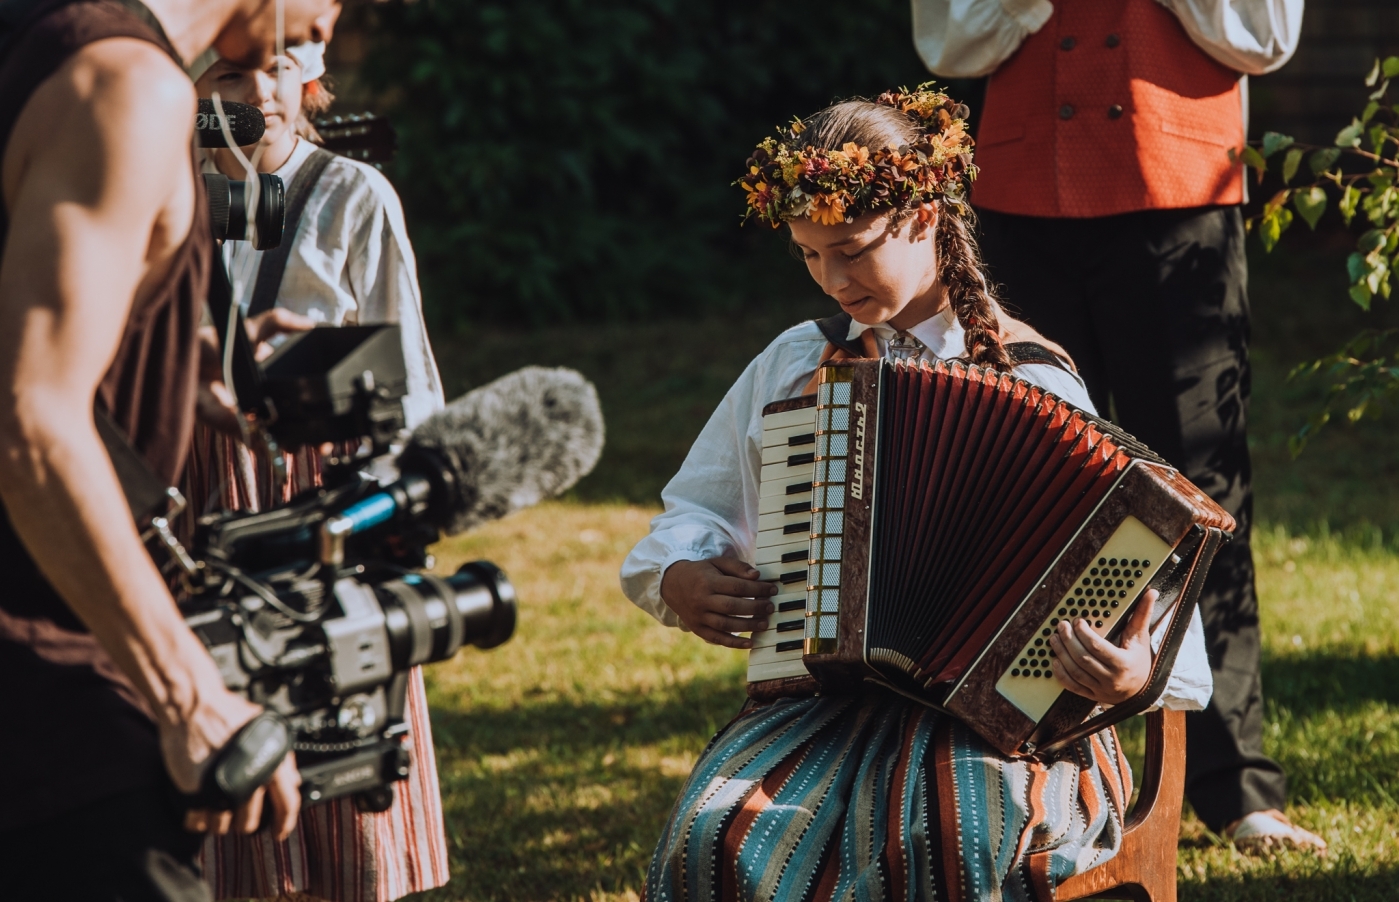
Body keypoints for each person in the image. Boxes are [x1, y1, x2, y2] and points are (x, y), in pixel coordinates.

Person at [620, 88, 1213, 900]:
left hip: (1005, 726)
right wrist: (681, 578)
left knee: (945, 835)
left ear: (924, 220)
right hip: (822, 705)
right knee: (713, 832)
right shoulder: (796, 364)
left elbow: (1155, 568)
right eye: (808, 254)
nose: (831, 279)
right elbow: (694, 511)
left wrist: (1134, 668)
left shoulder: (1032, 378)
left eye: (852, 249)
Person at [910, 0, 1321, 854]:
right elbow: (946, 42)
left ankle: (1233, 784)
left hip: (1178, 192)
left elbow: (1263, 39)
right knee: (1023, 484)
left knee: (1200, 492)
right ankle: (1014, 762)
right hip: (1020, 201)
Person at [0, 0, 337, 899]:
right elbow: (33, 427)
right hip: (55, 692)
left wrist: (179, 356)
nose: (330, 28)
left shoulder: (37, 49)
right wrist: (189, 694)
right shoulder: (128, 85)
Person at [185, 46, 449, 902]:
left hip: (324, 494)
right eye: (227, 75)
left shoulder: (351, 194)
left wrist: (402, 512)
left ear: (307, 79)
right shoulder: (163, 197)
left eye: (270, 69)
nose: (255, 91)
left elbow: (403, 370)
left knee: (337, 716)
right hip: (203, 496)